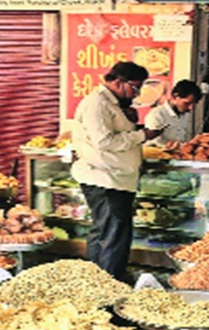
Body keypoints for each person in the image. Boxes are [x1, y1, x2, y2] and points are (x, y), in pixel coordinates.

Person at [70, 61, 165, 280]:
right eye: (134, 87)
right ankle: (111, 284)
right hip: (105, 178)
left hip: (115, 178)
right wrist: (143, 135)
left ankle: (95, 280)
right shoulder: (97, 104)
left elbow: (117, 134)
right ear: (118, 82)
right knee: (113, 235)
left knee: (104, 232)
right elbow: (104, 142)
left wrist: (134, 125)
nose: (137, 93)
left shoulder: (113, 104)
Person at [144, 79, 203, 144]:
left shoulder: (186, 115)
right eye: (187, 103)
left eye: (193, 104)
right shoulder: (157, 115)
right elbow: (152, 144)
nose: (190, 108)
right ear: (175, 96)